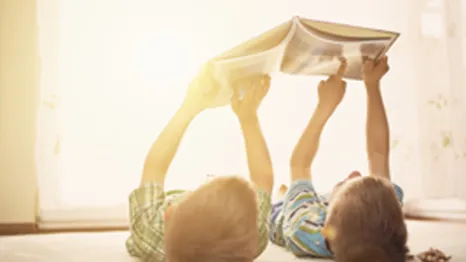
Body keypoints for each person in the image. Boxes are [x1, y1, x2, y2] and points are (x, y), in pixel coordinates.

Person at [125, 64, 274, 262]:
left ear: (169, 213)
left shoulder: (150, 228)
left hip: (156, 224)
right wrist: (249, 117)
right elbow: (263, 179)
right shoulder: (250, 235)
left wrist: (189, 108)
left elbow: (155, 166)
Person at [269, 57, 408, 262]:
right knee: (301, 192)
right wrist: (372, 85)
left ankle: (284, 195)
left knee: (281, 198)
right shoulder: (383, 217)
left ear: (325, 228)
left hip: (286, 214)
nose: (354, 173)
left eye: (347, 183)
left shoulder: (303, 227)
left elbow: (299, 164)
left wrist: (325, 105)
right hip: (325, 206)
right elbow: (379, 154)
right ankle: (289, 192)